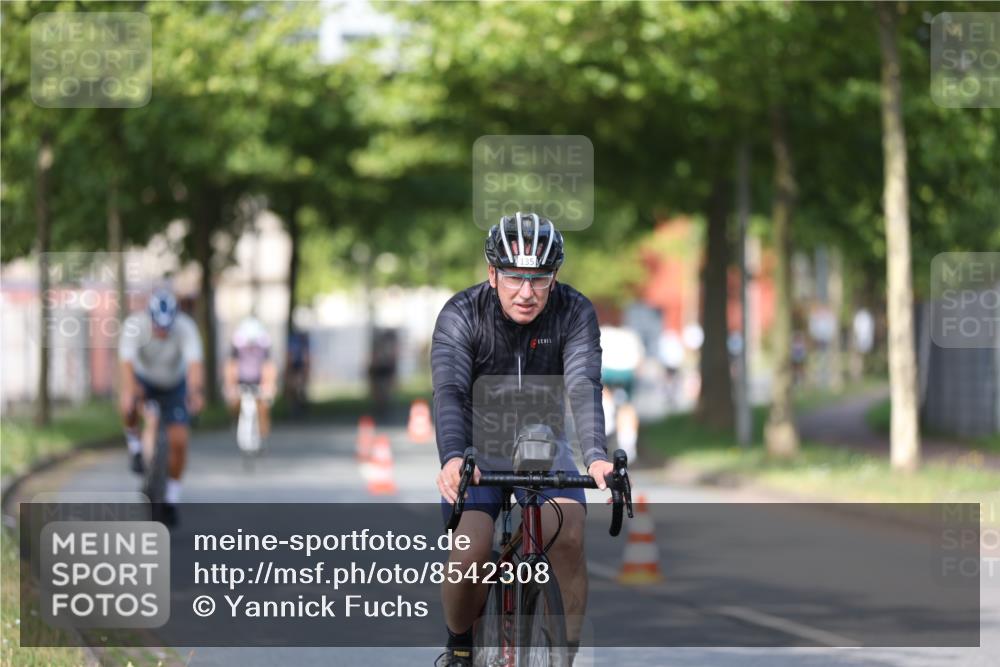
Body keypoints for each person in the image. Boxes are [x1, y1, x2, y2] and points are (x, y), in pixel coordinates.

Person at [432, 212, 613, 667]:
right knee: (472, 549)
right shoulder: (461, 313)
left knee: (569, 536)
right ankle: (459, 646)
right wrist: (454, 458)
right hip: (479, 449)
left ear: (555, 276)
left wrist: (595, 456)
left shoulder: (574, 311)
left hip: (545, 448)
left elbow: (583, 385)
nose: (527, 292)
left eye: (540, 278)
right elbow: (450, 392)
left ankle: (564, 657)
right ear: (493, 273)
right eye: (514, 278)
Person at [118, 287, 204, 527]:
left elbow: (195, 365)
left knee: (179, 442)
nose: (162, 333)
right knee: (127, 405)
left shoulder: (186, 328)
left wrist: (196, 392)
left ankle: (170, 500)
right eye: (158, 328)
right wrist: (131, 390)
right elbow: (126, 364)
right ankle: (135, 446)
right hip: (144, 380)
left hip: (174, 384)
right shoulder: (135, 327)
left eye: (166, 328)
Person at [224, 315, 277, 439]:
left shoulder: (263, 346)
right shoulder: (238, 346)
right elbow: (231, 366)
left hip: (259, 380)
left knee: (264, 405)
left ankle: (263, 436)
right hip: (242, 379)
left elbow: (268, 367)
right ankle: (236, 421)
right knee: (234, 401)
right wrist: (230, 385)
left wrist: (269, 385)